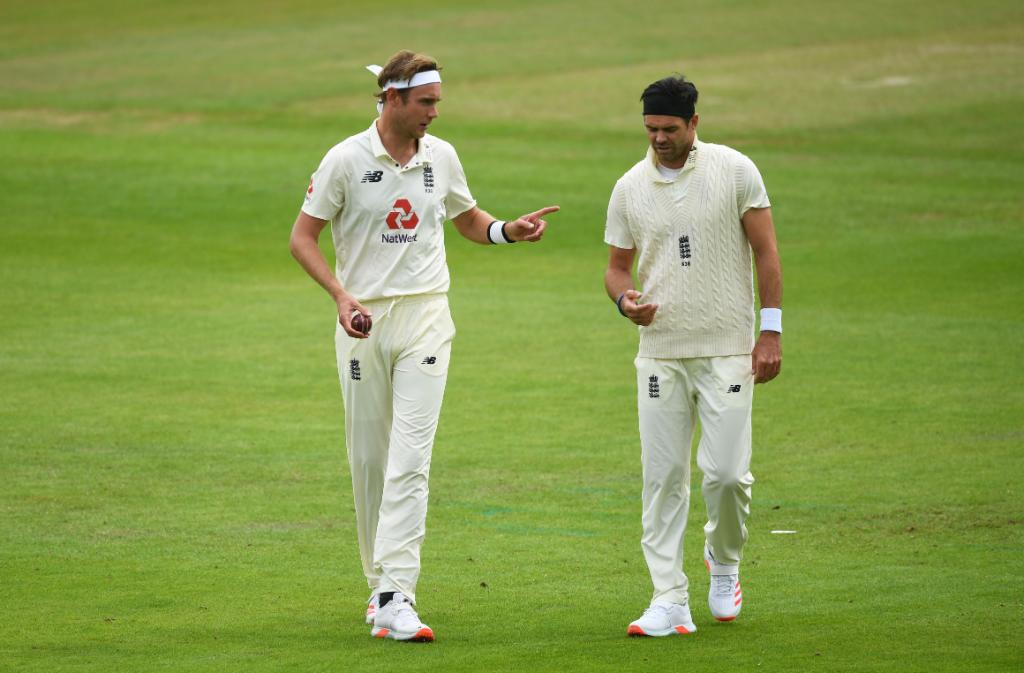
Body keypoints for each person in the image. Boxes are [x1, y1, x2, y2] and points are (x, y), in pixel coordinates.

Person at [289, 50, 558, 642]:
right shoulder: (345, 159)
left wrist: (506, 231)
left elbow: (464, 219)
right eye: (426, 102)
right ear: (392, 99)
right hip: (364, 323)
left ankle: (396, 592)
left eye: (438, 101)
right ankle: (378, 583)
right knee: (370, 461)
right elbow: (302, 238)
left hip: (428, 317)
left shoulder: (442, 156)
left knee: (411, 458)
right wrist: (340, 297)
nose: (436, 112)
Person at [603, 74, 783, 637]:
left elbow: (766, 251)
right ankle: (668, 598)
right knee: (663, 478)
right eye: (651, 128)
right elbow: (615, 269)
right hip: (660, 352)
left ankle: (723, 561)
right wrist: (623, 300)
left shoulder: (735, 171)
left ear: (694, 124)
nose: (658, 138)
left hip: (728, 346)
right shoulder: (628, 187)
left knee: (727, 476)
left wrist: (770, 332)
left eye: (669, 129)